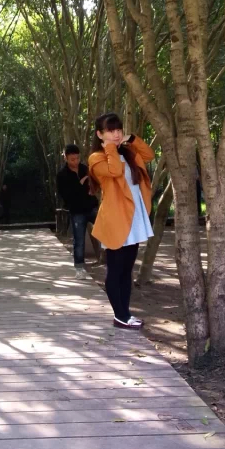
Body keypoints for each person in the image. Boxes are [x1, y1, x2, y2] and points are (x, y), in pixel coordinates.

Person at [88, 112, 155, 329]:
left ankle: (125, 314)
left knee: (127, 269)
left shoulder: (128, 151)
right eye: (110, 131)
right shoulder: (97, 158)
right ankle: (120, 315)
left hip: (134, 217)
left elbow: (149, 155)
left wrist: (132, 139)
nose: (116, 134)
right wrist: (110, 147)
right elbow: (115, 171)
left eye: (118, 130)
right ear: (100, 134)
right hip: (115, 219)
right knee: (115, 269)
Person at [56, 144, 98, 275]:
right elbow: (67, 196)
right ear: (65, 158)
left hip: (92, 207)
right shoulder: (62, 175)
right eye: (72, 159)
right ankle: (79, 269)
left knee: (107, 231)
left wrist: (93, 189)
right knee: (79, 241)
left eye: (77, 158)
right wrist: (80, 184)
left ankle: (111, 260)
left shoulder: (85, 169)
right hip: (77, 212)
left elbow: (95, 185)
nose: (75, 162)